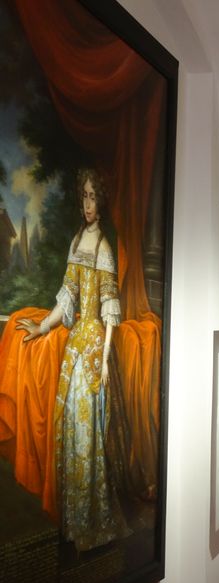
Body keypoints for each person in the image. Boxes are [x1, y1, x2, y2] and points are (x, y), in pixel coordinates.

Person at [15, 168, 131, 552]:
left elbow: (110, 309)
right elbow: (66, 297)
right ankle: (73, 524)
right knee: (71, 430)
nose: (88, 204)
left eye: (93, 196)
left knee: (88, 433)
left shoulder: (104, 248)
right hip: (76, 345)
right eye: (84, 196)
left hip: (95, 346)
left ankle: (92, 525)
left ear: (102, 201)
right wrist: (42, 327)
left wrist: (104, 359)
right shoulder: (77, 240)